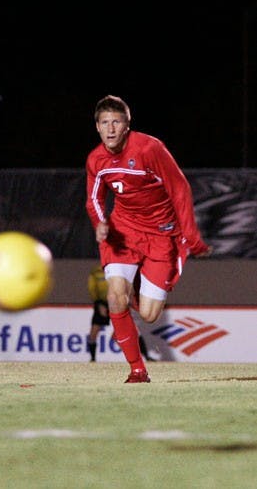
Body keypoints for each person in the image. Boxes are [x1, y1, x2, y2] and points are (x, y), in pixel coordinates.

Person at [85, 95, 212, 383]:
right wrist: (100, 223)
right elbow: (93, 200)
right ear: (97, 127)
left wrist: (190, 235)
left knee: (149, 314)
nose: (111, 128)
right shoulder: (96, 159)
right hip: (123, 233)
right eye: (105, 122)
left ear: (128, 124)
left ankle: (154, 272)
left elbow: (180, 189)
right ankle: (137, 370)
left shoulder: (150, 148)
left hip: (162, 234)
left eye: (117, 121)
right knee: (115, 296)